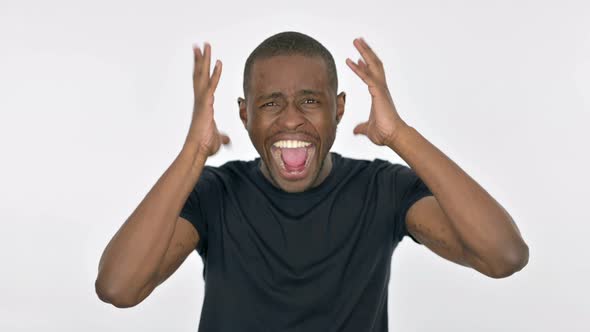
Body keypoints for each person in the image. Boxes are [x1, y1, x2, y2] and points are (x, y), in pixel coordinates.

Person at [95, 31, 529, 331]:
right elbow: (119, 287)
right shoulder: (215, 193)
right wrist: (192, 153)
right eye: (270, 103)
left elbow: (504, 256)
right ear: (244, 113)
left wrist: (399, 135)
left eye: (309, 101)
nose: (290, 119)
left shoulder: (382, 189)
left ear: (339, 108)